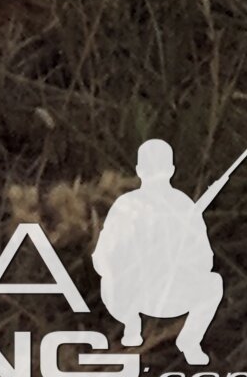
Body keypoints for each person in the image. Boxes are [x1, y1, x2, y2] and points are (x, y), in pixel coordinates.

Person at [96, 139, 227, 365]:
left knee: (213, 282)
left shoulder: (182, 207)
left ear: (138, 171)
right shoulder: (130, 205)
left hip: (166, 293)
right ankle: (132, 327)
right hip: (135, 292)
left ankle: (187, 340)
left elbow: (204, 259)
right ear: (172, 170)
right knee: (213, 283)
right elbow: (103, 255)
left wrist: (177, 258)